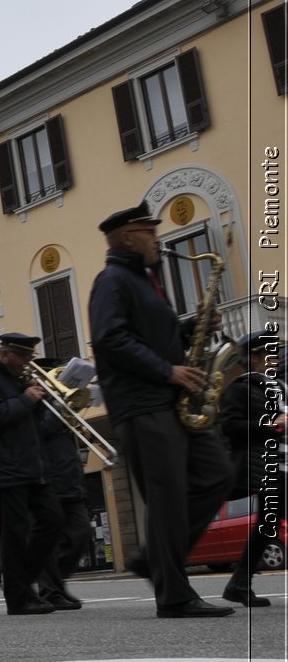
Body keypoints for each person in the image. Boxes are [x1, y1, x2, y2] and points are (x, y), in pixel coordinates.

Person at [88, 202, 234, 617]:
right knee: (166, 496)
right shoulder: (112, 280)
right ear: (127, 237)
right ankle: (174, 595)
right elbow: (110, 339)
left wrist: (187, 329)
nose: (158, 238)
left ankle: (154, 558)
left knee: (217, 475)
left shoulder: (146, 279)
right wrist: (167, 370)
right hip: (142, 403)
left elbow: (148, 334)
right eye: (150, 232)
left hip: (171, 400)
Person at [0, 333, 66, 616]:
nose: (27, 363)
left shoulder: (17, 380)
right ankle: (19, 596)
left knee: (53, 521)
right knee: (15, 534)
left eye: (29, 358)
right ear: (7, 354)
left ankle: (20, 581)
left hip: (32, 466)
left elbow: (33, 425)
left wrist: (35, 399)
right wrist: (25, 400)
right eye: (24, 357)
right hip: (7, 468)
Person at [218, 329, 282, 607]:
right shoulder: (240, 388)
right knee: (269, 524)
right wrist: (271, 426)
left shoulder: (279, 385)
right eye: (270, 352)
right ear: (254, 357)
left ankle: (239, 583)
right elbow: (230, 427)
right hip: (267, 465)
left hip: (282, 462)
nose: (276, 357)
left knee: (269, 525)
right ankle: (239, 582)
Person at [33, 362, 91, 610]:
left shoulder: (57, 405)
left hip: (69, 477)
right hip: (48, 478)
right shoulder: (34, 401)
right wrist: (59, 408)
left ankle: (56, 582)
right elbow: (40, 430)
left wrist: (80, 434)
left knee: (81, 533)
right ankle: (50, 590)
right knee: (50, 538)